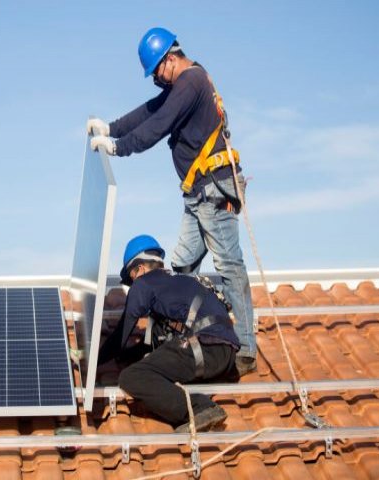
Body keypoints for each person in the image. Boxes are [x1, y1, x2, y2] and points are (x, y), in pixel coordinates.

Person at [87, 27, 256, 375]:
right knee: (180, 269)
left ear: (170, 59)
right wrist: (111, 128)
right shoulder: (182, 85)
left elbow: (159, 124)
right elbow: (150, 111)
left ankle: (245, 347)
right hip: (197, 196)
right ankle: (174, 338)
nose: (156, 82)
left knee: (229, 266)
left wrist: (119, 147)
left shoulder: (191, 82)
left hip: (214, 192)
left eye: (156, 73)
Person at [98, 235, 240, 431]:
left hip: (206, 347)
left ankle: (200, 408)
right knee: (149, 364)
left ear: (139, 269)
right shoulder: (179, 284)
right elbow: (153, 345)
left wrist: (92, 360)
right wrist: (127, 355)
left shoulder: (144, 283)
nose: (133, 285)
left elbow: (122, 333)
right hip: (224, 354)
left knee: (132, 377)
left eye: (131, 278)